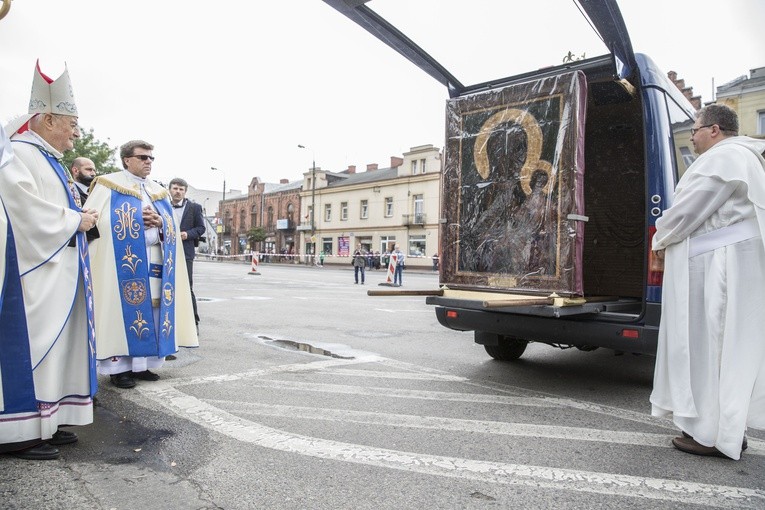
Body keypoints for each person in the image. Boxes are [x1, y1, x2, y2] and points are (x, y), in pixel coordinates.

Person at [650, 104, 765, 460]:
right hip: (730, 261)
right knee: (726, 349)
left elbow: (689, 211)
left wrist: (658, 238)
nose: (693, 137)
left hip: (720, 269)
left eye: (696, 129)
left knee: (711, 348)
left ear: (714, 130)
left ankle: (713, 435)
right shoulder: (744, 157)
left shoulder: (724, 158)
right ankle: (727, 429)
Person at [0, 63, 98, 460]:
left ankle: (47, 419)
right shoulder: (20, 154)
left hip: (58, 272)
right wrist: (77, 219)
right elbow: (22, 210)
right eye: (72, 123)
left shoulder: (47, 156)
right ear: (48, 118)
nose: (77, 131)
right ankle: (18, 430)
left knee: (56, 349)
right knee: (33, 346)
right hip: (31, 276)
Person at [84, 140, 198, 389]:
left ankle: (144, 364)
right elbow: (91, 223)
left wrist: (160, 222)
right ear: (127, 159)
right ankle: (119, 369)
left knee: (154, 312)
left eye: (151, 158)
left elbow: (171, 228)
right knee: (121, 314)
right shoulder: (107, 185)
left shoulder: (158, 191)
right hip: (121, 263)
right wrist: (134, 218)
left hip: (155, 259)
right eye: (143, 157)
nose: (148, 162)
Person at [168, 177, 206, 337]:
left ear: (185, 191)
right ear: (170, 189)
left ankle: (193, 323)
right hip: (165, 251)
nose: (178, 191)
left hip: (185, 252)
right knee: (165, 287)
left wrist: (187, 234)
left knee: (186, 288)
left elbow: (201, 228)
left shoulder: (195, 208)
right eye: (175, 188)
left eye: (181, 189)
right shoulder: (161, 205)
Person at [70, 157, 100, 241]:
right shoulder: (69, 191)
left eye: (94, 170)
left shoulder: (97, 193)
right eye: (89, 169)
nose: (93, 174)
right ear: (75, 171)